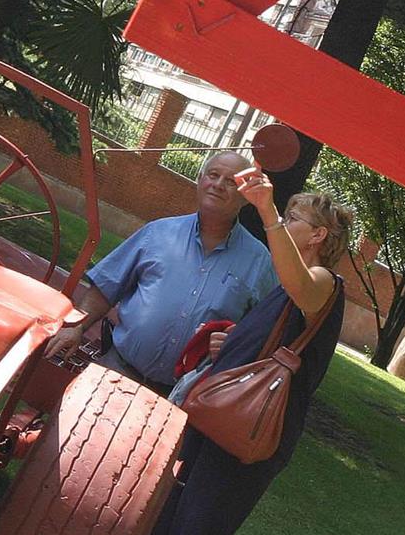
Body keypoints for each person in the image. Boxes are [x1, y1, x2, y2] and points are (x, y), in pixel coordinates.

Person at [103, 172, 353, 535]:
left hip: (244, 444)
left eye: (294, 218)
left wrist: (263, 206)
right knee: (161, 534)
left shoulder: (321, 282)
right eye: (283, 214)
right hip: (217, 428)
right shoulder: (289, 284)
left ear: (317, 237)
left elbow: (304, 292)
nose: (283, 222)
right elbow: (268, 340)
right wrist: (231, 341)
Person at [46, 151, 275, 395]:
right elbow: (107, 287)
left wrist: (235, 345)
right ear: (200, 180)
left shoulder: (259, 262)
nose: (218, 185)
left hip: (184, 396)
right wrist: (77, 327)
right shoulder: (158, 233)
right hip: (116, 371)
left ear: (245, 197)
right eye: (213, 175)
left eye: (231, 182)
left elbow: (264, 336)